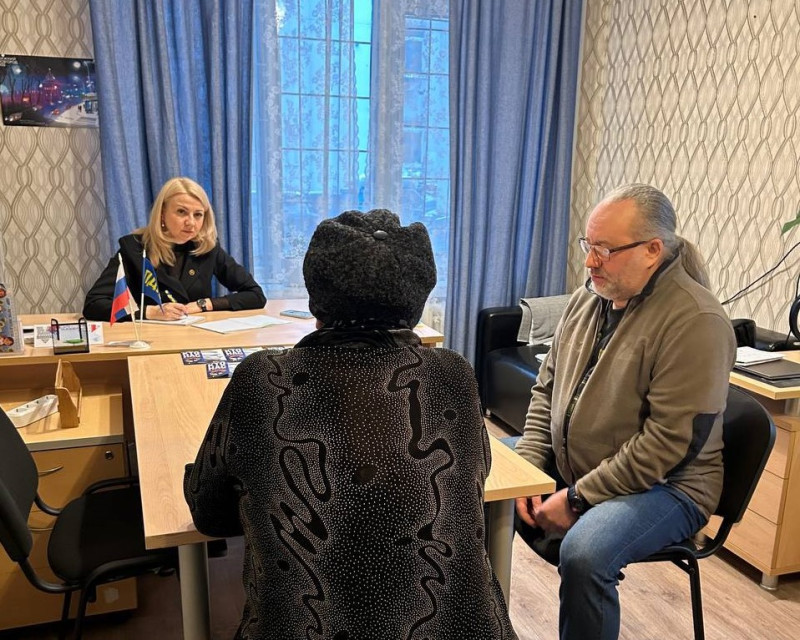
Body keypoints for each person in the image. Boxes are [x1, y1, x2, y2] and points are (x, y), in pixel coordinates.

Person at [184, 209, 517, 640]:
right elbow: (471, 485)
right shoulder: (452, 373)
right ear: (416, 299)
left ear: (315, 295)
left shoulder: (263, 378)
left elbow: (209, 515)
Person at [513, 184, 736, 640]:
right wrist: (528, 464)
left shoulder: (697, 321)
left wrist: (577, 499)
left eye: (606, 250)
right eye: (588, 245)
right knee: (473, 475)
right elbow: (547, 389)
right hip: (582, 464)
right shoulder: (588, 297)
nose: (590, 262)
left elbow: (665, 445)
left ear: (653, 250)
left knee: (585, 553)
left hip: (669, 486)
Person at [82, 177, 265, 321]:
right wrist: (150, 312)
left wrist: (204, 304)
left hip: (199, 337)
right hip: (155, 340)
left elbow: (255, 295)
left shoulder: (206, 248)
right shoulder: (135, 248)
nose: (191, 222)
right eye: (181, 212)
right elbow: (94, 304)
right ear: (162, 214)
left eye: (198, 215)